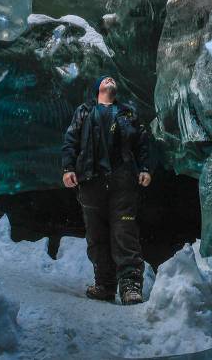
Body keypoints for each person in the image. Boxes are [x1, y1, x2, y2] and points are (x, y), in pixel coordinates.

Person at [61, 75, 151, 304]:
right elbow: (71, 140)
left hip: (123, 182)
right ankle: (105, 285)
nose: (109, 79)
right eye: (104, 79)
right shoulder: (84, 111)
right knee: (96, 235)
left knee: (125, 230)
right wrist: (68, 168)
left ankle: (130, 286)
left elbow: (142, 142)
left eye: (111, 79)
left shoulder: (128, 113)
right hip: (91, 181)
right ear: (97, 89)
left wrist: (145, 168)